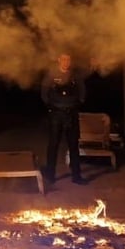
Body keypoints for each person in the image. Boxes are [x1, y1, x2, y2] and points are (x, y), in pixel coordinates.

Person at [41, 52, 87, 185]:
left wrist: (79, 103)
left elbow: (82, 90)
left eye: (68, 59)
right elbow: (44, 92)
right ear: (59, 60)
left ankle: (76, 176)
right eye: (63, 59)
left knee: (73, 145)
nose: (66, 62)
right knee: (53, 144)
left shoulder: (75, 75)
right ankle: (50, 175)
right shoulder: (51, 75)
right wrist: (50, 106)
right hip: (56, 114)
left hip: (71, 114)